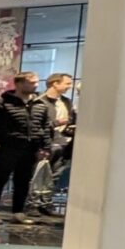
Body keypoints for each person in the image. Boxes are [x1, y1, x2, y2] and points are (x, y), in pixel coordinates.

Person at [0, 71, 52, 225]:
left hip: (30, 148)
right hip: (7, 148)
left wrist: (45, 147)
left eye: (36, 82)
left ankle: (18, 211)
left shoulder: (40, 105)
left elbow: (45, 128)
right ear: (19, 83)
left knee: (23, 180)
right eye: (31, 82)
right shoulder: (2, 104)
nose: (35, 85)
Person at [42, 72, 77, 211]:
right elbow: (38, 124)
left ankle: (46, 202)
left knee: (56, 174)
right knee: (41, 174)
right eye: (67, 83)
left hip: (63, 143)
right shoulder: (40, 101)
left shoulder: (67, 102)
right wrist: (57, 123)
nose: (70, 86)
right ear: (55, 83)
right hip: (46, 144)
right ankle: (34, 203)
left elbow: (71, 120)